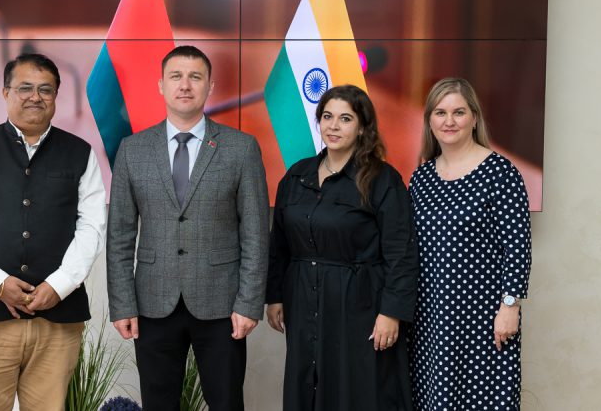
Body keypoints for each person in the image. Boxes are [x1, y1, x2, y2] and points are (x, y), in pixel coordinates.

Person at [0, 53, 107, 411]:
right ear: (5, 93)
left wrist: (59, 285)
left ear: (56, 95)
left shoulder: (80, 153)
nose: (35, 97)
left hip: (57, 322)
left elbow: (92, 227)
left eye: (45, 89)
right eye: (25, 88)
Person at [106, 45, 269, 411]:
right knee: (158, 403)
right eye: (176, 76)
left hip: (222, 303)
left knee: (226, 403)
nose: (185, 85)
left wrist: (248, 303)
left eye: (195, 77)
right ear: (161, 85)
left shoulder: (241, 149)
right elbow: (119, 235)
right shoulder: (132, 150)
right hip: (153, 303)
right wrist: (122, 303)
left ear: (210, 86)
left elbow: (256, 234)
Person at [266, 84, 419, 411]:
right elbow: (278, 244)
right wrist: (275, 296)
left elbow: (401, 254)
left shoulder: (382, 180)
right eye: (327, 117)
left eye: (345, 119)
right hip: (302, 300)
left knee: (356, 389)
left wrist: (391, 312)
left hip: (361, 305)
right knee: (307, 382)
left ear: (362, 127)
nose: (333, 126)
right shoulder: (297, 175)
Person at [408, 77, 532, 410]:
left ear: (474, 118)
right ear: (429, 121)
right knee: (433, 398)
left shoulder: (501, 173)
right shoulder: (421, 178)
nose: (449, 121)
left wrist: (510, 307)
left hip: (483, 317)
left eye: (459, 112)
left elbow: (517, 246)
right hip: (430, 316)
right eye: (440, 112)